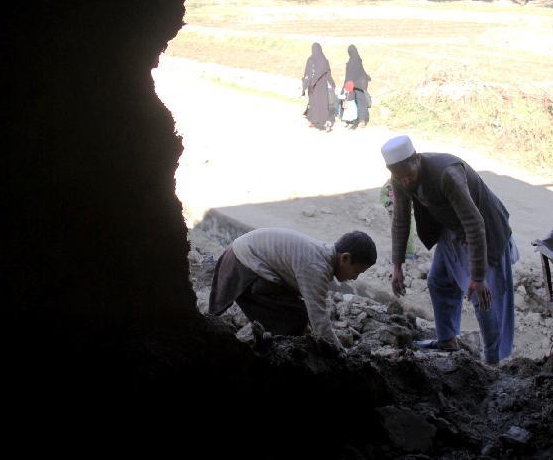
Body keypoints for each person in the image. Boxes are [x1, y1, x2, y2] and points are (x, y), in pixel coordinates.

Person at [381, 135, 517, 364]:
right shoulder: (400, 178)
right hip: (452, 228)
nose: (405, 182)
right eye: (399, 177)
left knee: (483, 295)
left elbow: (475, 223)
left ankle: (493, 360)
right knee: (438, 281)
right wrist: (397, 265)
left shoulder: (447, 174)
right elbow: (401, 220)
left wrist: (478, 275)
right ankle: (447, 340)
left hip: (486, 229)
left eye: (408, 175)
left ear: (417, 159)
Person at [208, 228, 377, 348]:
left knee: (296, 314)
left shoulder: (321, 256)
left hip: (243, 257)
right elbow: (318, 318)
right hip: (243, 265)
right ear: (345, 258)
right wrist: (340, 354)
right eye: (356, 271)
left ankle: (266, 344)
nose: (354, 277)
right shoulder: (316, 267)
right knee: (295, 319)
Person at [301, 43, 336, 131]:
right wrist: (332, 84)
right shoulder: (324, 60)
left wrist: (304, 85)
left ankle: (313, 121)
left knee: (314, 104)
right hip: (322, 87)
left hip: (313, 87)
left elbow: (307, 73)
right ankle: (324, 122)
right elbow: (328, 74)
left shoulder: (310, 60)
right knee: (323, 105)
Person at [342, 45, 371, 129]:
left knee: (351, 102)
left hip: (351, 85)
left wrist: (346, 85)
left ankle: (351, 120)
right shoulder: (358, 60)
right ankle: (362, 120)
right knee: (361, 102)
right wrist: (367, 77)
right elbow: (361, 71)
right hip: (358, 85)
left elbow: (348, 75)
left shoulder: (350, 62)